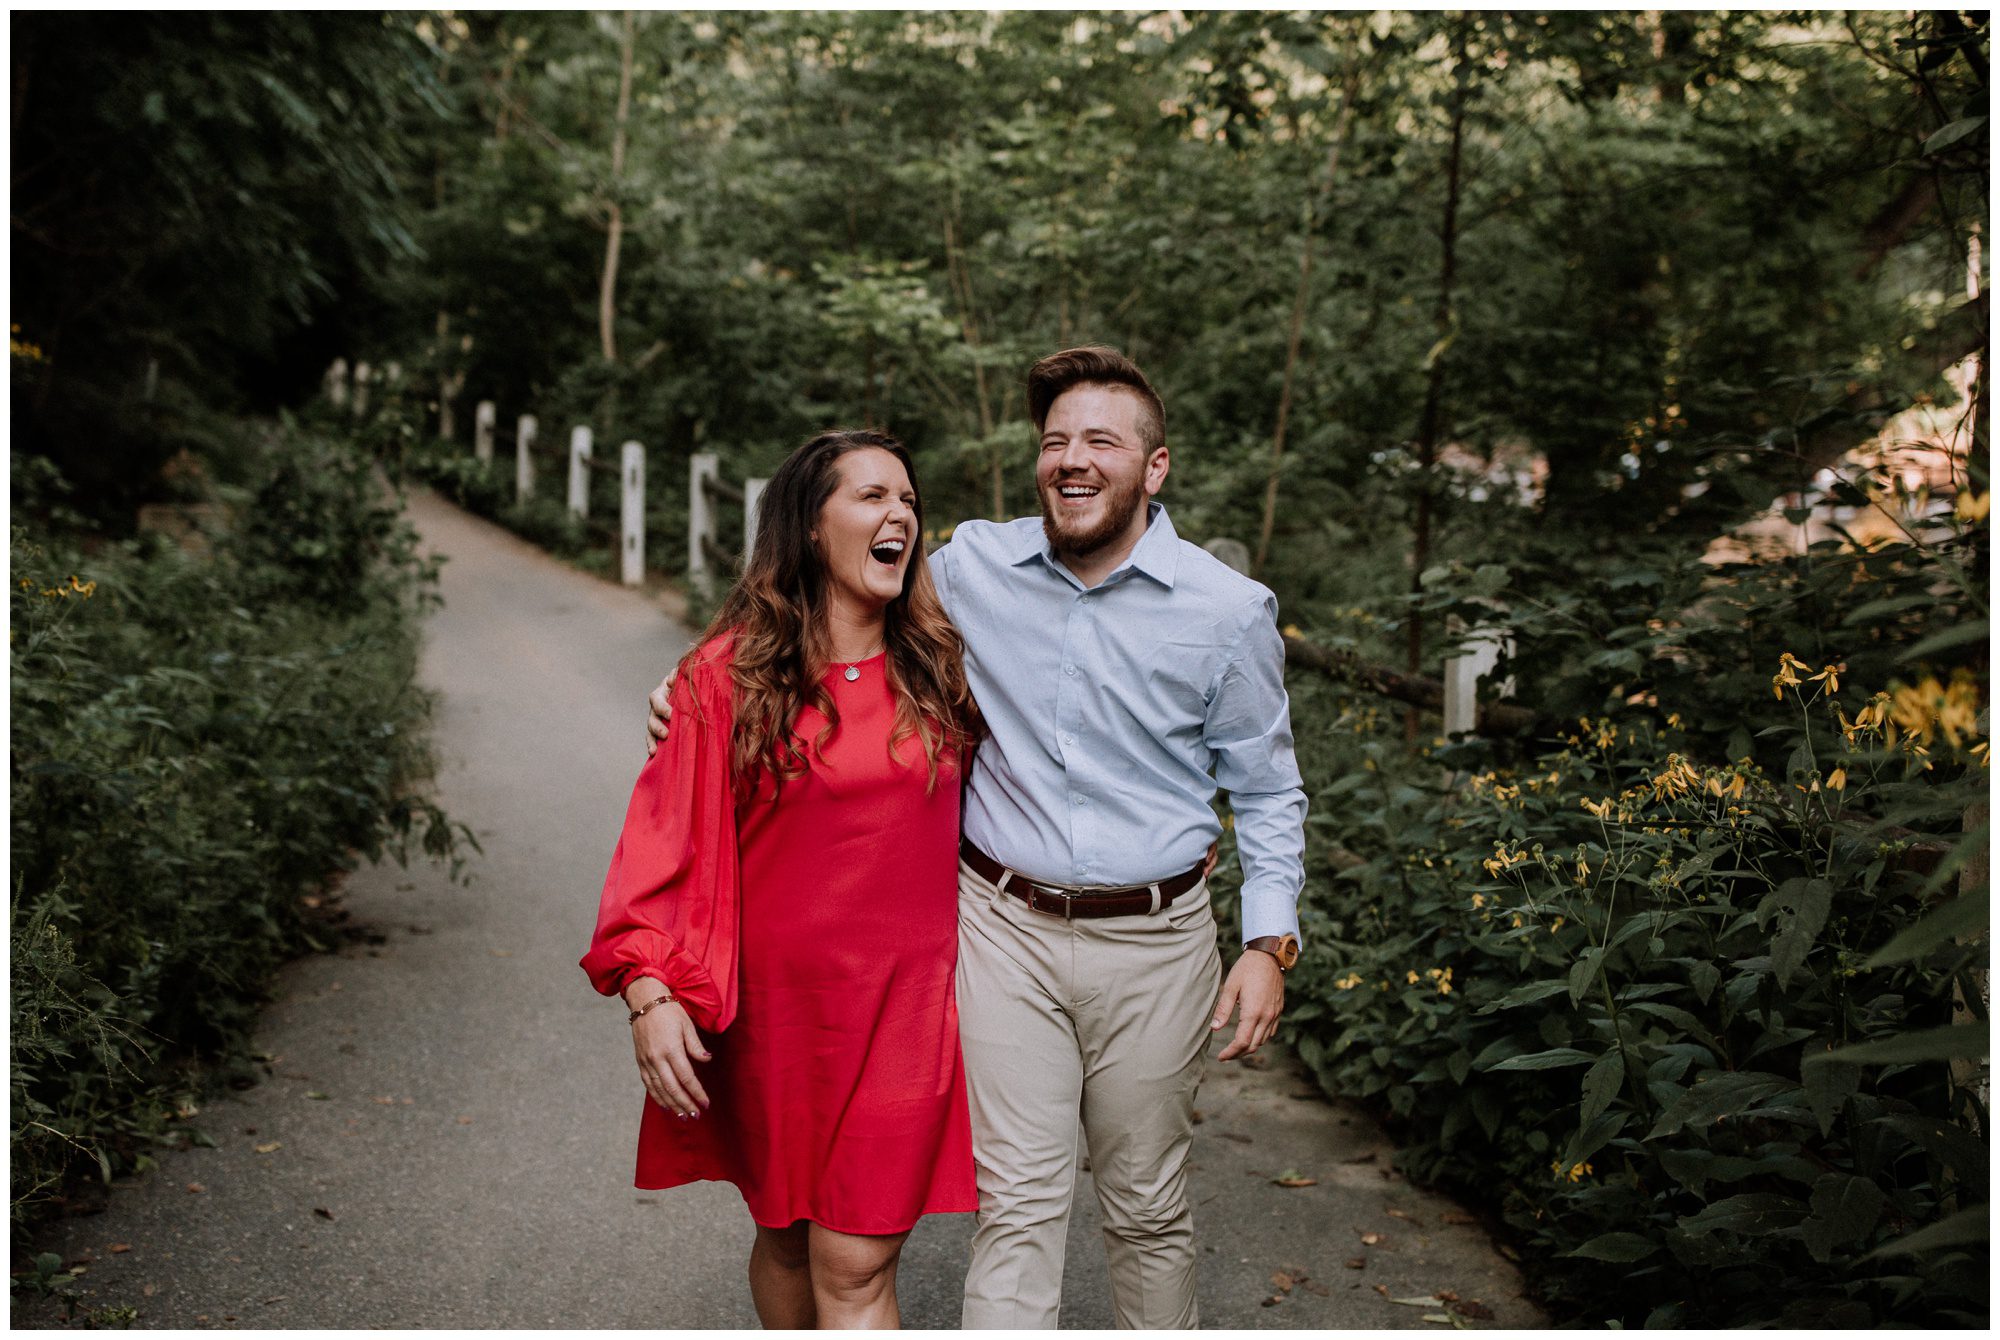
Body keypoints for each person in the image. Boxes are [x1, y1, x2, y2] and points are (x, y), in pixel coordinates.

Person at [648, 347, 1307, 1329]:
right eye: (1053, 442)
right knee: (1019, 1202)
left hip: (1158, 942)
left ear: (1153, 467)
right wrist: (693, 682)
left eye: (1099, 440)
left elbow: (1266, 788)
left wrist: (1266, 940)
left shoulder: (1228, 610)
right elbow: (810, 597)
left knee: (1146, 1203)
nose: (1070, 460)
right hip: (1001, 930)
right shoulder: (966, 570)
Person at [584, 428, 982, 1329]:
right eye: (872, 497)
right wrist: (649, 994)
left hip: (906, 1013)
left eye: (909, 500)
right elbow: (659, 846)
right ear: (810, 525)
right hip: (774, 1018)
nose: (901, 516)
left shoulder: (945, 664)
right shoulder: (725, 678)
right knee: (787, 1237)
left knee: (853, 1260)